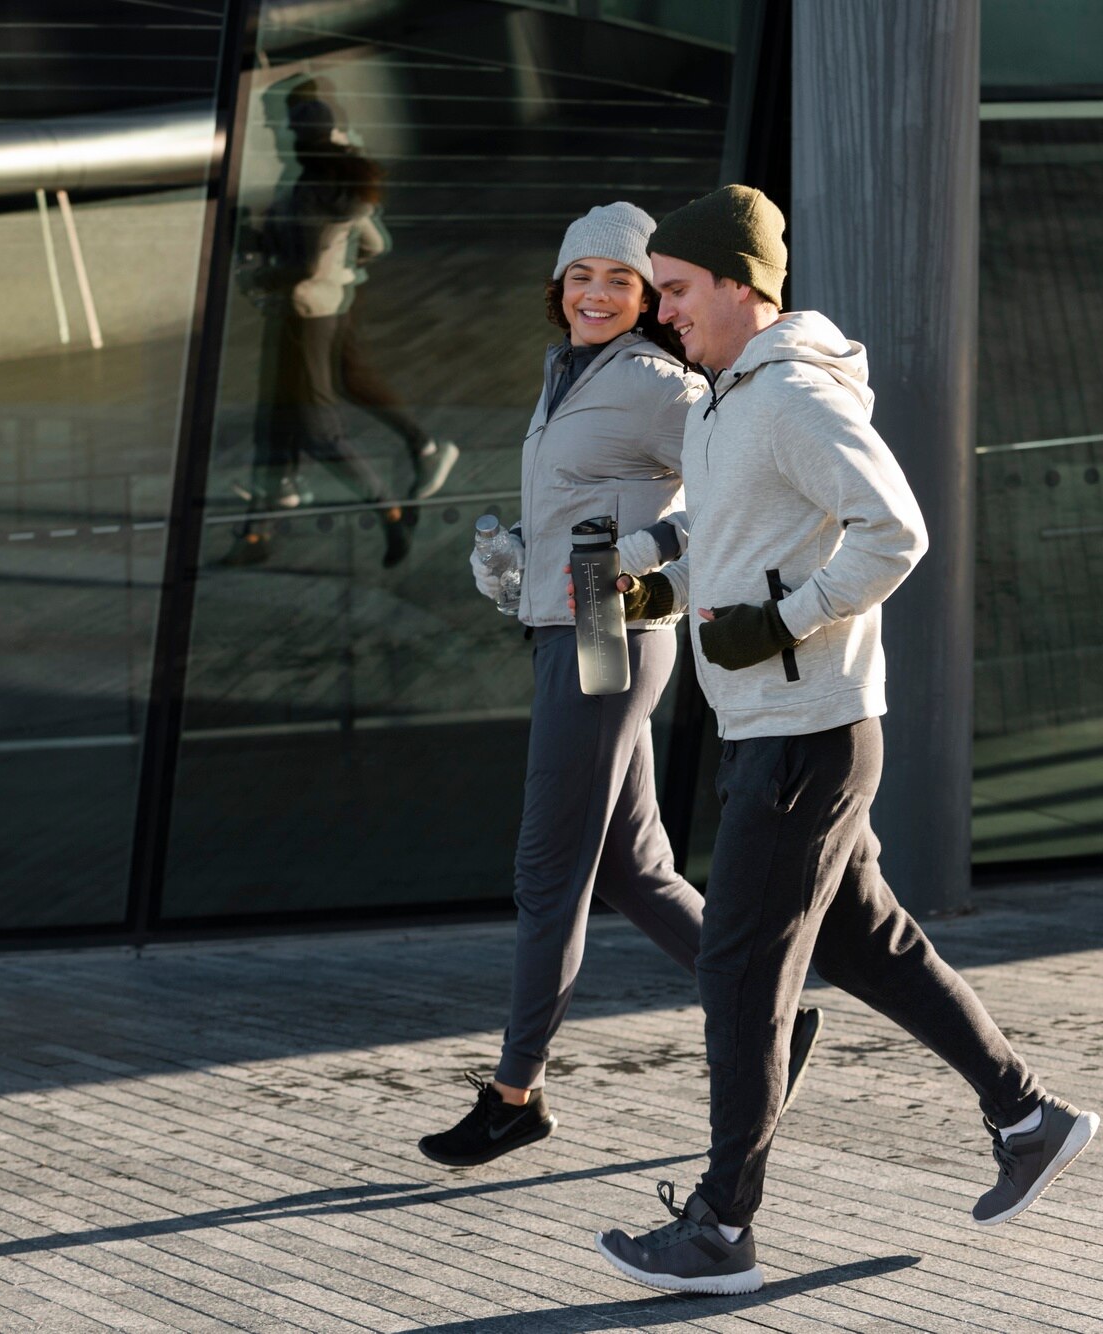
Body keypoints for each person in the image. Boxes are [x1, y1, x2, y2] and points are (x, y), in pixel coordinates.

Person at [589, 186, 1099, 1295]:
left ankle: (722, 1226)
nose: (659, 311)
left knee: (735, 970)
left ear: (739, 282)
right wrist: (649, 593)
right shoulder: (729, 401)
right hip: (785, 729)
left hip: (805, 736)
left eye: (674, 290)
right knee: (871, 946)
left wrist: (783, 620)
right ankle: (1027, 1113)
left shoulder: (790, 399)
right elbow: (734, 553)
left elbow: (894, 529)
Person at [417, 202, 823, 1168]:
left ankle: (517, 1091)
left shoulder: (652, 383)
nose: (596, 294)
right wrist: (522, 555)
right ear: (557, 287)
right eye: (581, 277)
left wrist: (632, 554)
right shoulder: (570, 373)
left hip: (609, 626)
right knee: (635, 869)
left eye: (621, 281)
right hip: (573, 618)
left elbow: (739, 483)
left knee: (548, 868)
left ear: (647, 299)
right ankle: (778, 1020)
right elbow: (586, 508)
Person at [223, 81, 454, 567]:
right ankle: (255, 535)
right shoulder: (339, 178)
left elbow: (303, 262)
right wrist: (341, 273)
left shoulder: (314, 186)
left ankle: (390, 512)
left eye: (285, 126)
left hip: (303, 313)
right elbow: (369, 242)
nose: (277, 132)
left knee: (316, 427)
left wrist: (257, 266)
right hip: (313, 308)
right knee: (277, 421)